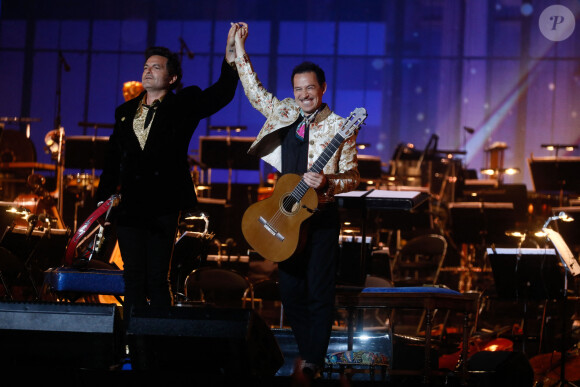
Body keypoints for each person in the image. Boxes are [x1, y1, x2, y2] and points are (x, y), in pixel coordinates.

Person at [232, 22, 360, 378]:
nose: (304, 95)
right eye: (298, 89)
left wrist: (328, 181)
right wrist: (239, 48)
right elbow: (253, 90)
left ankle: (314, 361)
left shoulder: (339, 126)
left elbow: (354, 177)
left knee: (319, 292)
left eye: (310, 88)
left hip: (320, 218)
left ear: (322, 88)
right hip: (284, 217)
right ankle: (308, 354)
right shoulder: (285, 113)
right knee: (290, 293)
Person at [96, 25, 240, 323]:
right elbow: (112, 160)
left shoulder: (182, 104)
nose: (148, 71)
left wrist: (232, 54)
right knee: (132, 278)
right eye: (146, 66)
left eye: (157, 67)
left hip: (163, 204)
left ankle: (159, 341)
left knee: (157, 278)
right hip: (130, 205)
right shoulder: (124, 112)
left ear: (172, 78)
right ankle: (132, 341)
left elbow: (222, 93)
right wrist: (102, 202)